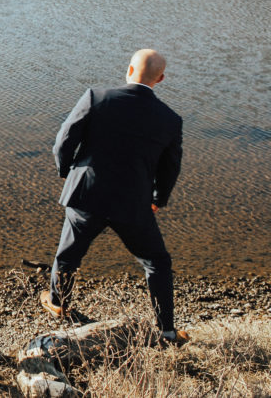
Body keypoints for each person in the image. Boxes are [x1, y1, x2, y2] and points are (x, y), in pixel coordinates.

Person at [43, 49, 188, 345]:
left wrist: (66, 172)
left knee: (69, 254)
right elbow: (171, 167)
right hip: (134, 204)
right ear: (160, 79)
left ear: (129, 70)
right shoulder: (170, 119)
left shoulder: (97, 97)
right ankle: (167, 331)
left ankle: (59, 303)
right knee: (157, 262)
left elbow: (64, 140)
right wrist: (158, 199)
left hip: (87, 194)